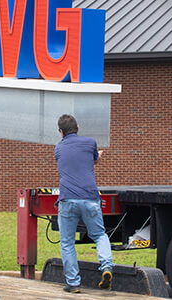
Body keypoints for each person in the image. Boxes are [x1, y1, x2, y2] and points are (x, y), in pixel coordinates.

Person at [54, 114, 113, 293]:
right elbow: (93, 160)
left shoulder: (58, 148)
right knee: (100, 235)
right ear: (78, 127)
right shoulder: (90, 143)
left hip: (67, 199)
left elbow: (71, 162)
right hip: (89, 197)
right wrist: (99, 156)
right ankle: (107, 267)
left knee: (67, 242)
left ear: (61, 132)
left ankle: (73, 283)